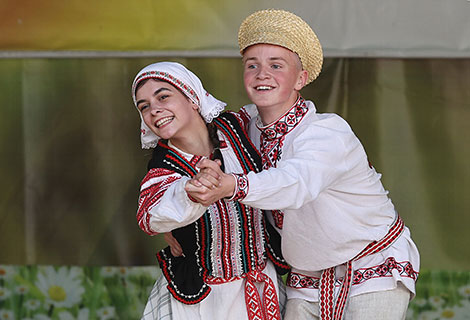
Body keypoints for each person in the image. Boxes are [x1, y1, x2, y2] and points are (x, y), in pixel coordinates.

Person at [185, 9, 420, 320]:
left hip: (372, 264)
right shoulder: (243, 129)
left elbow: (295, 182)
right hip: (306, 276)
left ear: (301, 78)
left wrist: (232, 186)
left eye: (276, 66)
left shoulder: (327, 131)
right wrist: (177, 223)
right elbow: (188, 135)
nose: (261, 74)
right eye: (251, 65)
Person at [131, 61, 289, 320]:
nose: (154, 110)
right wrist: (190, 192)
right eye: (144, 106)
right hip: (203, 303)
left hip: (261, 288)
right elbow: (150, 216)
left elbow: (282, 118)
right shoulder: (164, 167)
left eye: (163, 96)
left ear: (192, 98)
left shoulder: (237, 127)